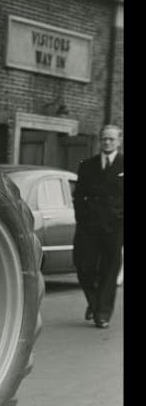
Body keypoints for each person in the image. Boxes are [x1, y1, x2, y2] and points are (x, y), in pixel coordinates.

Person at [73, 124, 124, 328]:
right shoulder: (87, 165)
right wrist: (81, 217)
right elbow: (78, 195)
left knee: (109, 270)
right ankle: (94, 302)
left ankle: (102, 313)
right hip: (89, 226)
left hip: (115, 226)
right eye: (104, 138)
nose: (107, 142)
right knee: (83, 266)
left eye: (111, 139)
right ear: (100, 141)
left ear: (119, 141)